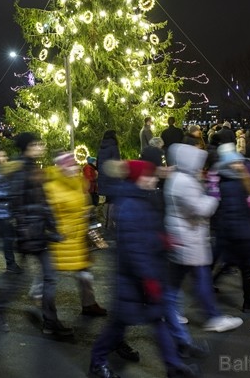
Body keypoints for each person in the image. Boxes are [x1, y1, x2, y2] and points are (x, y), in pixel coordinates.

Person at [89, 160, 196, 378]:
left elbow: (146, 236)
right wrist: (149, 278)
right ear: (139, 179)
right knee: (117, 327)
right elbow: (134, 249)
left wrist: (163, 240)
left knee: (158, 321)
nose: (154, 178)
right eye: (149, 175)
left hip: (145, 279)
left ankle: (174, 367)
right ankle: (97, 362)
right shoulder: (130, 205)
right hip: (133, 281)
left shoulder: (141, 199)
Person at [163, 144, 242, 357]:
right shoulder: (184, 182)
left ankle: (185, 313)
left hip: (185, 239)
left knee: (183, 282)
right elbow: (202, 208)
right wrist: (213, 193)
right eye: (197, 163)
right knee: (195, 280)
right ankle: (211, 318)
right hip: (187, 239)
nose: (200, 167)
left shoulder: (179, 179)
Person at [0, 132, 72, 336]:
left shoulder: (34, 168)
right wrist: (27, 230)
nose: (41, 147)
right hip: (29, 234)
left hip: (40, 233)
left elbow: (44, 203)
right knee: (21, 279)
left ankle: (50, 322)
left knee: (50, 277)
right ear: (28, 147)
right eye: (37, 144)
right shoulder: (21, 171)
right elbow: (17, 205)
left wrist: (53, 228)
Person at [45, 151, 108, 317]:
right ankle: (48, 316)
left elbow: (84, 206)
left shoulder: (78, 182)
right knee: (49, 278)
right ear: (61, 166)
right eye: (69, 165)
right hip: (61, 239)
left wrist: (91, 224)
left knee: (84, 272)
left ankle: (89, 304)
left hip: (79, 238)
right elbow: (48, 215)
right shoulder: (51, 186)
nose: (73, 167)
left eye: (74, 164)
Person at [210, 143, 250, 313]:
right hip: (240, 233)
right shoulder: (236, 185)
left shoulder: (224, 182)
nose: (239, 165)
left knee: (231, 263)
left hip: (231, 232)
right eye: (235, 163)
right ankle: (248, 303)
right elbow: (236, 211)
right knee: (246, 268)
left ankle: (209, 285)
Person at [97, 130, 121, 229]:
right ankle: (110, 223)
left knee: (106, 201)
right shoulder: (114, 148)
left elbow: (98, 164)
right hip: (112, 179)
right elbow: (116, 164)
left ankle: (105, 224)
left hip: (102, 179)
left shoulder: (101, 148)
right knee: (112, 201)